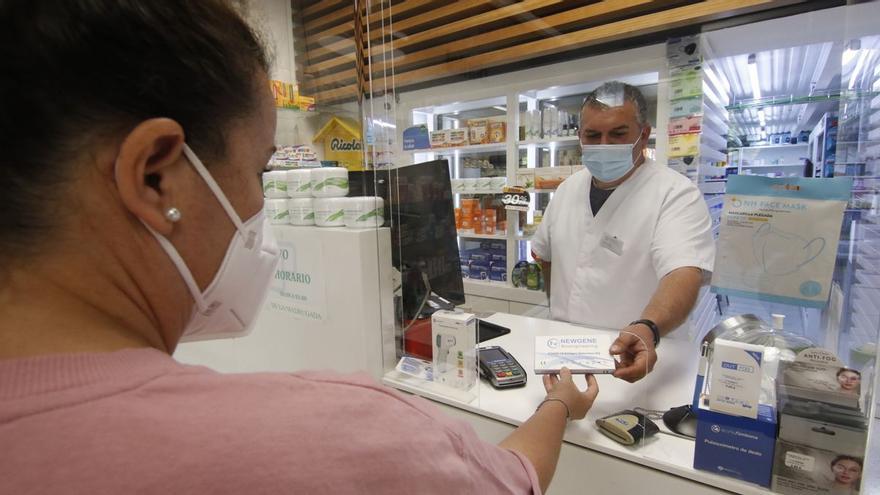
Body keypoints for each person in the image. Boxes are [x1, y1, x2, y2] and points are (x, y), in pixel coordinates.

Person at [0, 1, 598, 493]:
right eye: (259, 169)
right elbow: (514, 481)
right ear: (158, 177)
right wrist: (559, 407)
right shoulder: (340, 440)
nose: (261, 208)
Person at [532, 81, 715, 383]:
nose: (603, 144)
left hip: (638, 357)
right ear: (580, 136)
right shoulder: (567, 190)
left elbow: (684, 274)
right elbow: (547, 256)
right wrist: (558, 312)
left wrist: (649, 327)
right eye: (593, 135)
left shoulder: (675, 194)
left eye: (617, 134)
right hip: (564, 354)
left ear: (643, 135)